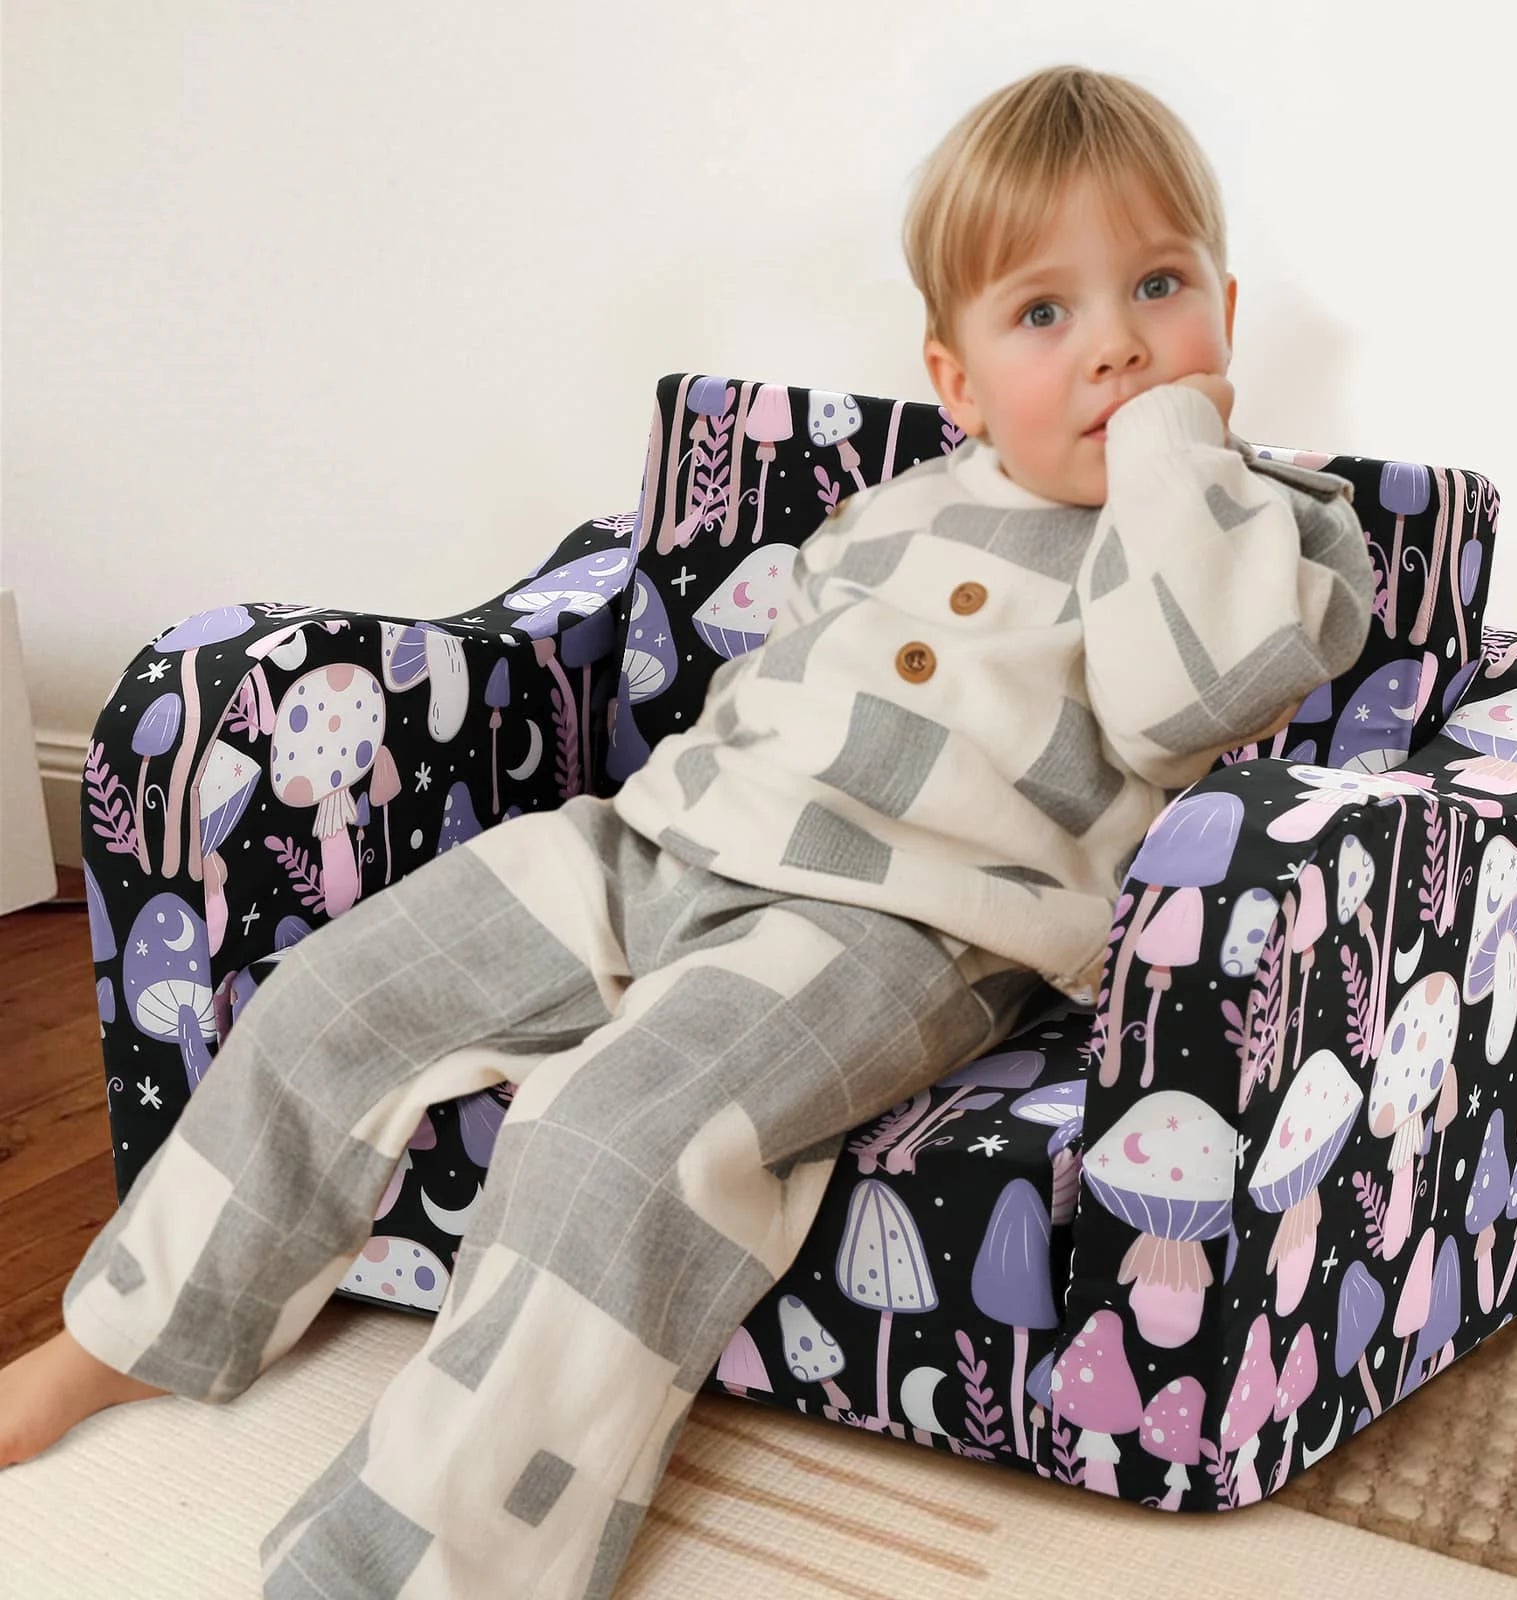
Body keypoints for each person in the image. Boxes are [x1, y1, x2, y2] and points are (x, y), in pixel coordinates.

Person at [0, 62, 1372, 1598]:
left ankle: (414, 1573)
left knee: (611, 1139)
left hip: (900, 924)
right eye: (1044, 312)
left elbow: (1193, 696)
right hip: (663, 841)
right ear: (961, 380)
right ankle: (134, 1332)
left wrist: (1176, 451)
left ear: (1225, 318)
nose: (1115, 342)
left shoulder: (1265, 531)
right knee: (344, 993)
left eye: (1159, 291)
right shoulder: (898, 506)